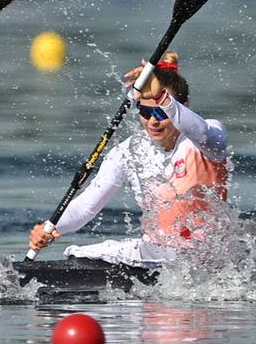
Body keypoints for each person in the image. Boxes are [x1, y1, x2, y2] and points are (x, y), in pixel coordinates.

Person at [28, 51, 229, 266]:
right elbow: (86, 206)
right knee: (80, 256)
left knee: (84, 255)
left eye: (162, 112)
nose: (153, 121)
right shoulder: (129, 151)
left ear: (183, 107)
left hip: (207, 256)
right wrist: (51, 227)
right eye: (144, 111)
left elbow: (202, 132)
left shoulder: (207, 139)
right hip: (156, 256)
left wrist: (163, 96)